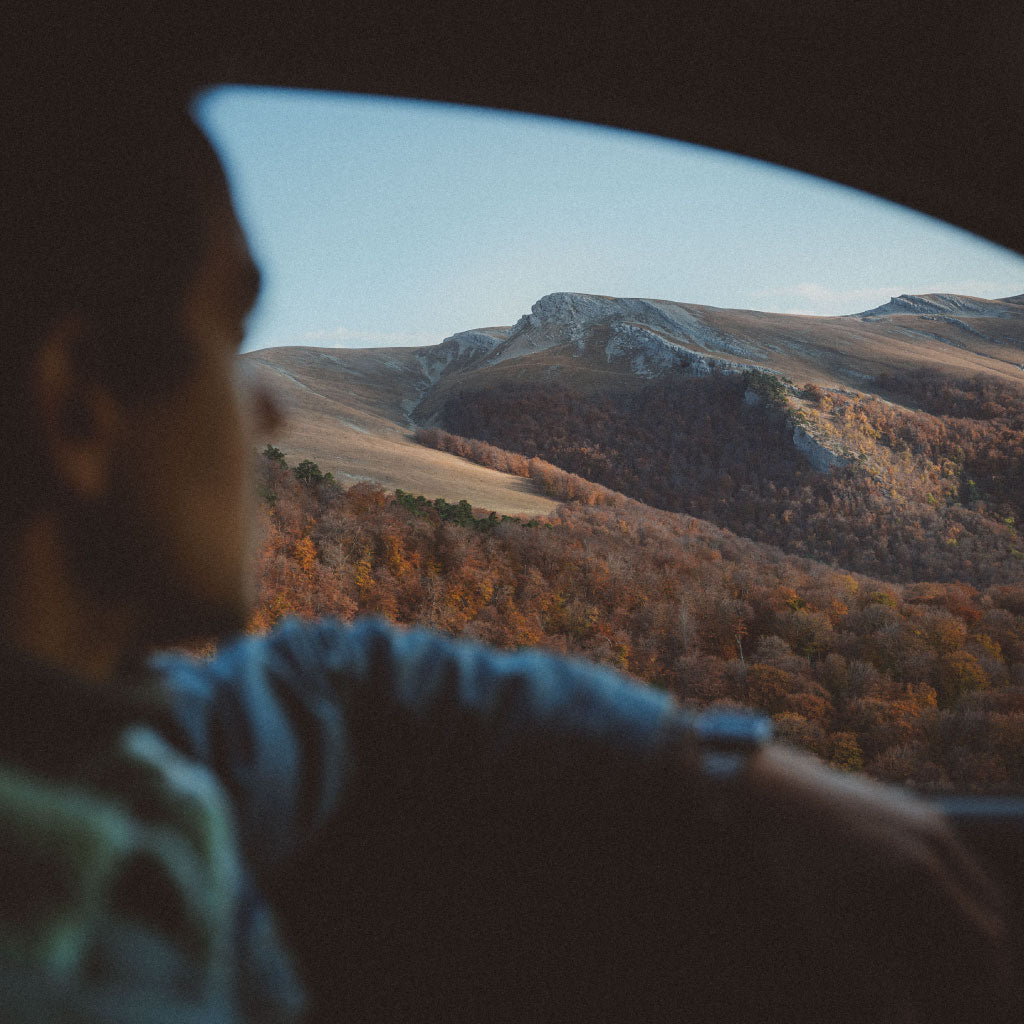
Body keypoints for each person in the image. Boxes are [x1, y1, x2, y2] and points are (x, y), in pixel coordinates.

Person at [0, 64, 1014, 1024]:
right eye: (228, 328)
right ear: (81, 403)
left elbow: (334, 676)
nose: (264, 403)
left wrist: (728, 770)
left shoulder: (131, 752)